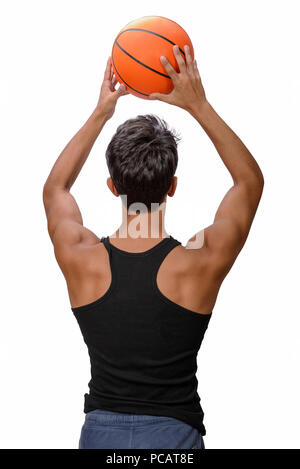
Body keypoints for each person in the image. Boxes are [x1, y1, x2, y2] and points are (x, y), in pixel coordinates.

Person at [43, 45, 264, 449]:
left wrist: (101, 113)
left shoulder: (81, 256)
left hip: (100, 437)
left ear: (112, 187)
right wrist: (198, 105)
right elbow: (249, 183)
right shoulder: (198, 261)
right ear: (173, 186)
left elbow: (55, 188)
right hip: (172, 438)